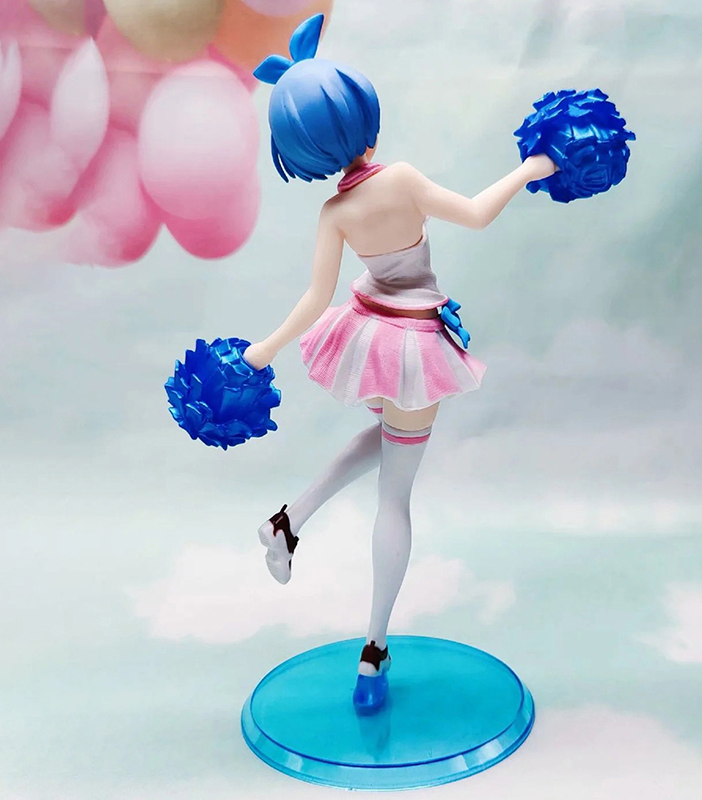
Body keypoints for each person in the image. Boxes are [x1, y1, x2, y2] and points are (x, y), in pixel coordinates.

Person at [243, 13, 557, 712]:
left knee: (390, 439)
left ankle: (289, 519)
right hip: (411, 343)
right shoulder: (405, 179)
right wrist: (531, 169)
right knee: (396, 493)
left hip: (367, 328)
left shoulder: (334, 213)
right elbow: (475, 213)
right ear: (365, 117)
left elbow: (315, 298)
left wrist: (266, 348)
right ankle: (374, 650)